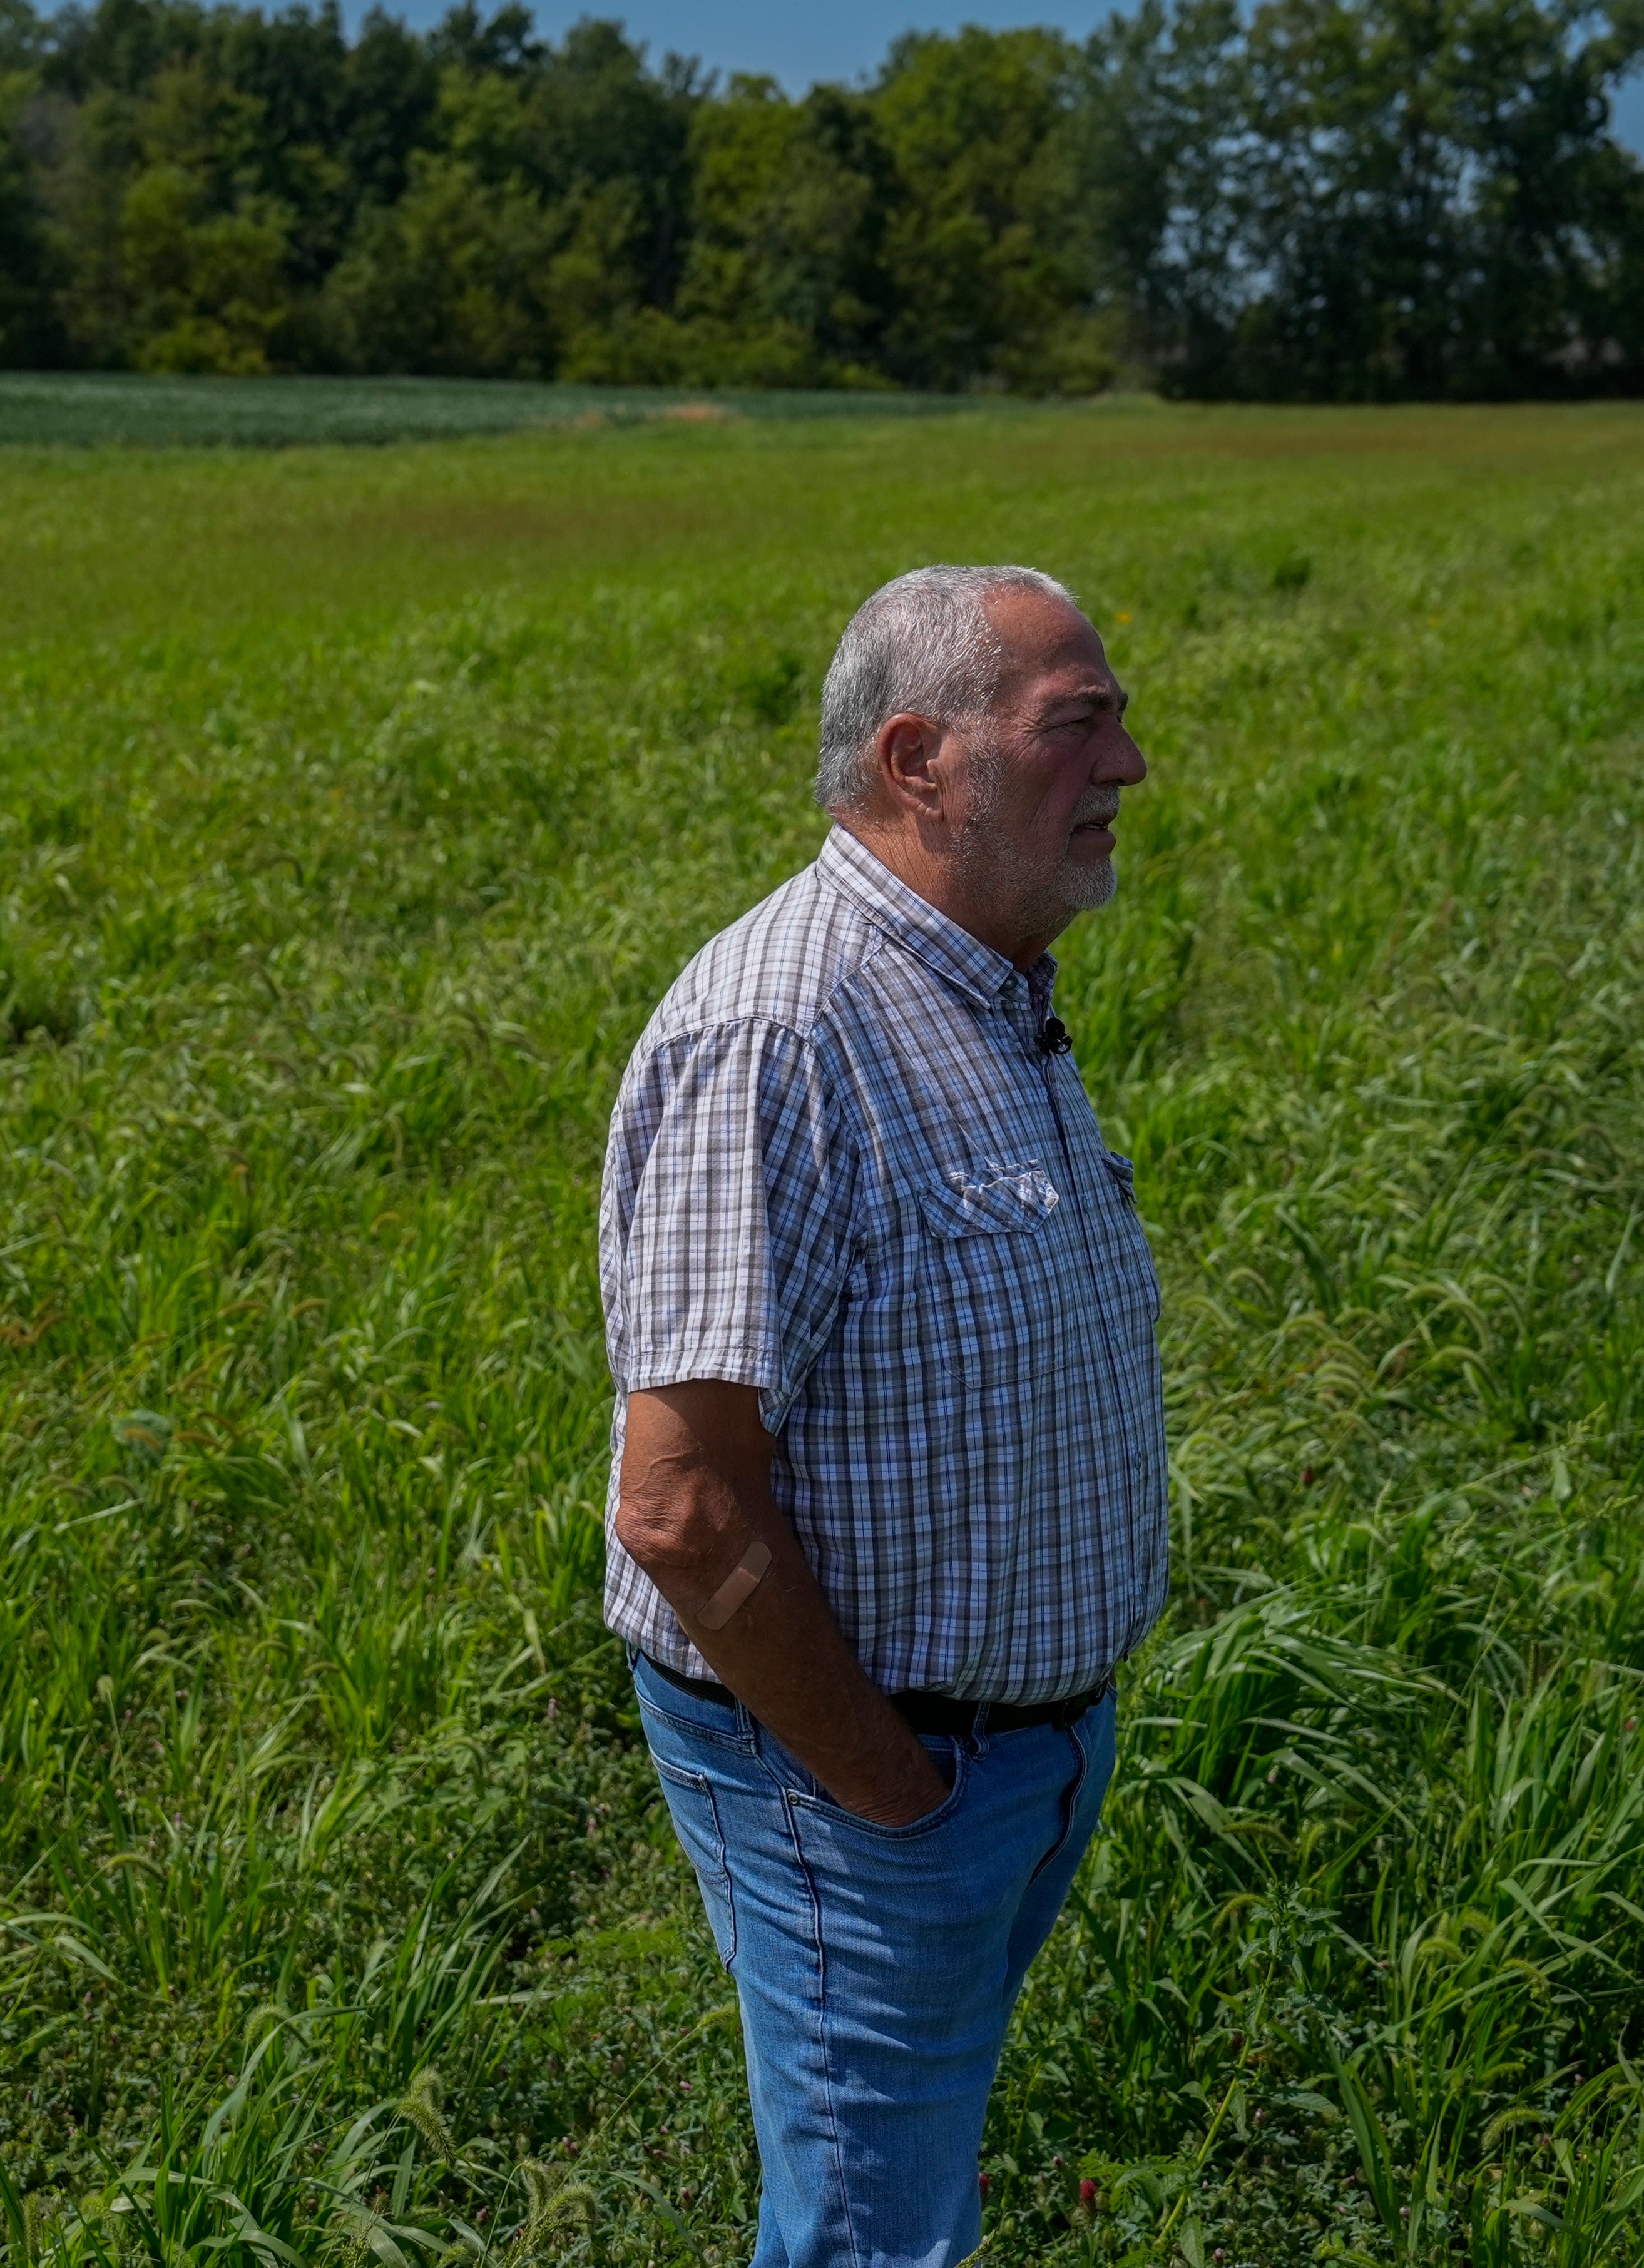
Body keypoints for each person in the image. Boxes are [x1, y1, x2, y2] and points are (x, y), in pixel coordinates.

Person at [598, 563, 1167, 2267]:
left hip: (1013, 1754)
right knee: (873, 2237)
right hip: (866, 1776)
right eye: (1079, 727)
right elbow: (681, 1507)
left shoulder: (979, 983)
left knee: (895, 2191)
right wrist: (892, 1796)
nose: (1129, 766)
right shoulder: (781, 1030)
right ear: (920, 761)